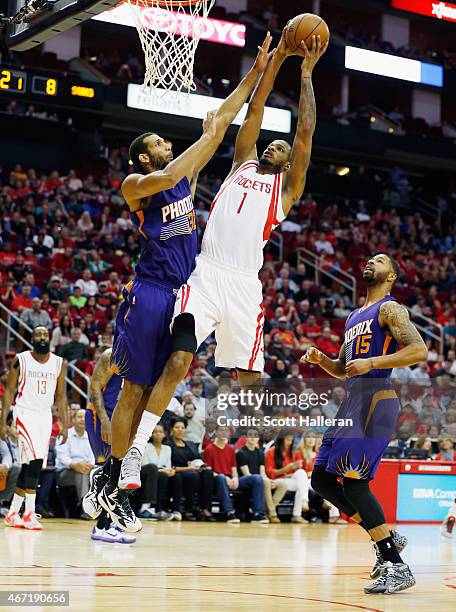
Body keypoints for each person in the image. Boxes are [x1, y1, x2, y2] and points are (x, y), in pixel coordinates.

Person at [111, 32, 327, 505]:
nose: (272, 146)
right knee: (178, 360)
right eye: (269, 144)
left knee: (245, 382)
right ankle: (133, 454)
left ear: (291, 164)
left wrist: (306, 74)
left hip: (245, 289)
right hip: (205, 274)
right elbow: (253, 112)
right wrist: (270, 66)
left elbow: (306, 133)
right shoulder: (241, 164)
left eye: (279, 147)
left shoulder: (285, 192)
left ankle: (256, 434)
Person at [96, 36, 275, 531]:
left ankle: (121, 475)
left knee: (167, 376)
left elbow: (220, 124)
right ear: (143, 158)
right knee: (132, 389)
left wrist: (256, 74)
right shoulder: (137, 185)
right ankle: (110, 476)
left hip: (186, 290)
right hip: (150, 291)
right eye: (156, 142)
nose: (164, 143)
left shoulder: (181, 179)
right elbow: (192, 154)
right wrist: (208, 138)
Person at [304, 253, 428, 594]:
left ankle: (396, 565)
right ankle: (387, 538)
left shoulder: (390, 309)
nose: (371, 262)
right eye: (370, 259)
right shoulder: (353, 317)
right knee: (322, 480)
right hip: (352, 400)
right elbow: (345, 368)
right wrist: (322, 360)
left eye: (381, 260)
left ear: (391, 276)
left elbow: (419, 351)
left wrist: (372, 361)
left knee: (355, 483)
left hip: (375, 398)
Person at [0, 326, 68, 530]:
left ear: (49, 338)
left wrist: (64, 424)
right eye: (38, 334)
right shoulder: (20, 360)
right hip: (24, 413)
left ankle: (13, 513)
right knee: (36, 462)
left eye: (44, 334)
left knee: (30, 466)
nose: (41, 337)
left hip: (45, 416)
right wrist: (3, 421)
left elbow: (62, 396)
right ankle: (29, 513)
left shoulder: (58, 363)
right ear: (32, 338)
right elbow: (10, 391)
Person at [82, 348, 135, 544]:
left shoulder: (140, 357)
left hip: (121, 419)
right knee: (106, 469)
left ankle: (112, 523)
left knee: (117, 471)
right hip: (101, 417)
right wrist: (104, 420)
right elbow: (95, 387)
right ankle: (100, 526)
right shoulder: (111, 355)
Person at [204, 425, 268, 524]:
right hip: (217, 479)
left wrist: (235, 479)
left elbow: (234, 469)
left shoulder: (230, 450)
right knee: (221, 478)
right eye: (221, 430)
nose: (224, 433)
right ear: (216, 433)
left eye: (226, 430)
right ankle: (230, 512)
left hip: (231, 479)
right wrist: (226, 478)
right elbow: (208, 471)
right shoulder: (209, 449)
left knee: (257, 478)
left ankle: (258, 514)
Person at [167, 417, 214, 521]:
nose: (180, 430)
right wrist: (189, 468)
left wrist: (201, 465)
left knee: (208, 473)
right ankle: (189, 510)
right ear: (171, 429)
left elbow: (197, 459)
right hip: (177, 473)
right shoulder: (168, 445)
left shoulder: (191, 444)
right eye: (177, 427)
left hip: (193, 470)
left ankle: (205, 508)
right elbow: (169, 466)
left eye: (182, 428)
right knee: (192, 476)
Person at [237, 428, 287, 523]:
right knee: (263, 480)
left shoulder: (260, 453)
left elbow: (262, 472)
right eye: (250, 435)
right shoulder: (241, 453)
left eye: (255, 435)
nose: (253, 437)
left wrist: (269, 480)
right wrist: (264, 480)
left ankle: (269, 511)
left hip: (260, 479)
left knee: (283, 485)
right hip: (248, 480)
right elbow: (247, 474)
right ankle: (272, 514)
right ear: (246, 437)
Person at [55, 409, 96, 516]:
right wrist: (75, 465)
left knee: (98, 473)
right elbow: (62, 457)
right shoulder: (65, 434)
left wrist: (89, 466)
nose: (82, 420)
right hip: (64, 472)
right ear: (73, 420)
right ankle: (85, 507)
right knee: (81, 473)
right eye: (79, 417)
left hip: (86, 469)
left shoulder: (91, 437)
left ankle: (103, 508)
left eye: (84, 417)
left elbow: (93, 457)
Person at [265, 429, 310, 524]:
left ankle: (300, 509)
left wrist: (294, 468)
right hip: (277, 481)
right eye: (287, 440)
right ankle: (300, 509)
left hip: (289, 480)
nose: (289, 443)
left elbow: (295, 473)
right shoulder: (271, 452)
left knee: (301, 474)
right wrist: (286, 469)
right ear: (281, 439)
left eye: (291, 440)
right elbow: (270, 472)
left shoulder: (292, 453)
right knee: (302, 483)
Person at [139, 424, 178, 520]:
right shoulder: (146, 446)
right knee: (152, 468)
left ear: (164, 434)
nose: (158, 434)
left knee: (169, 476)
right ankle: (144, 508)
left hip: (158, 473)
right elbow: (145, 464)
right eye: (155, 432)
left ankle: (159, 510)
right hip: (144, 472)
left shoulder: (168, 448)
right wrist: (163, 469)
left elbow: (167, 466)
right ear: (151, 434)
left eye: (160, 431)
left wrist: (171, 471)